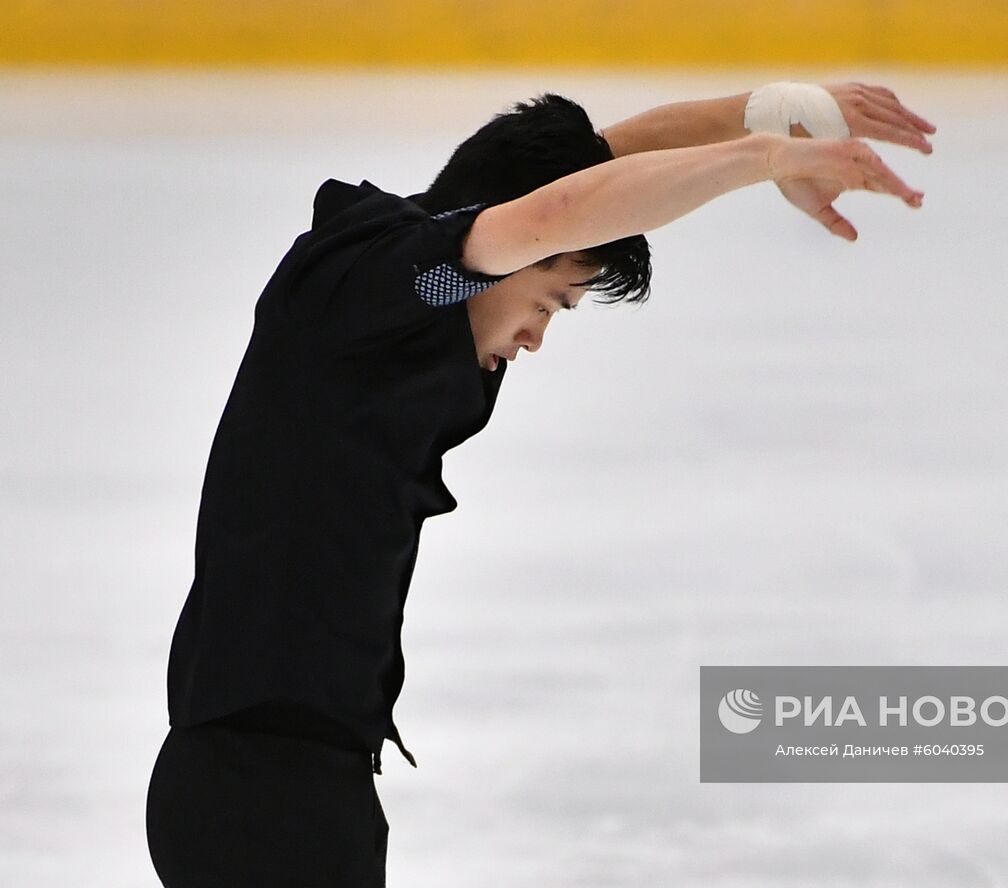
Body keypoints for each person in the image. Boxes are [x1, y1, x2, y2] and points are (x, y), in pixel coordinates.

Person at [145, 81, 934, 887]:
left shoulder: (410, 280)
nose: (536, 337)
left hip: (293, 785)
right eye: (553, 301)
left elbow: (587, 179)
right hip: (258, 794)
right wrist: (765, 156)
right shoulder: (378, 282)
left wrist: (769, 112)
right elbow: (553, 214)